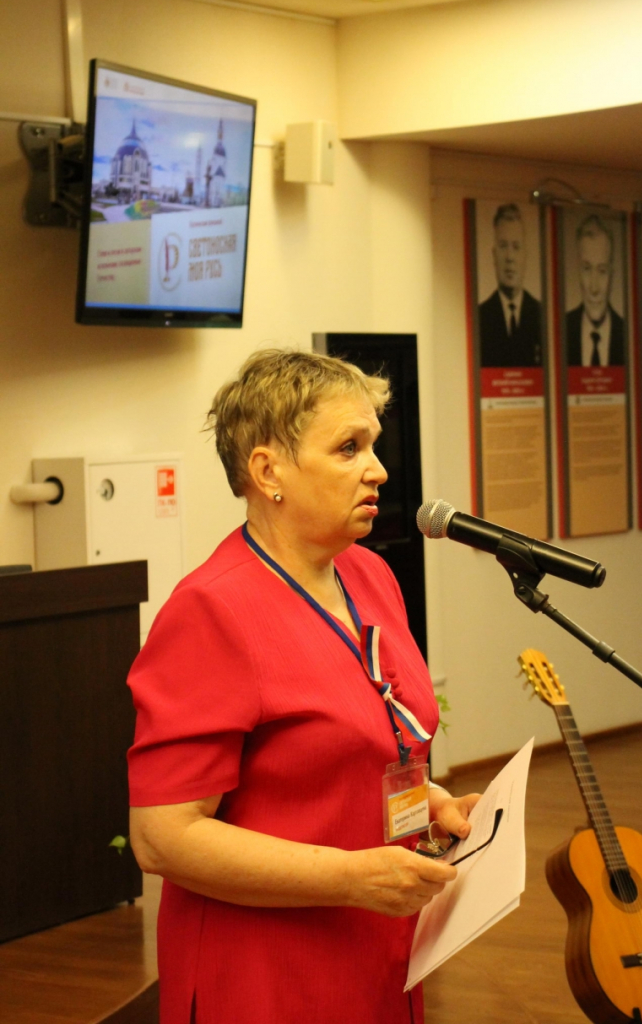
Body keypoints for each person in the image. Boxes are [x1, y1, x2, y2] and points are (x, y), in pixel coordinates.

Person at [127, 349, 480, 1024]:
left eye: (372, 445)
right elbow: (162, 837)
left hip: (377, 944)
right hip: (264, 972)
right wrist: (351, 876)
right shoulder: (211, 610)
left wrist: (430, 803)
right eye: (349, 448)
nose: (378, 469)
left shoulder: (369, 574)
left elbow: (367, 742)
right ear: (268, 472)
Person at [479, 203, 543, 367]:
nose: (509, 257)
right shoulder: (480, 317)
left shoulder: (542, 316)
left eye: (516, 247)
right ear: (494, 255)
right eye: (503, 246)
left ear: (525, 255)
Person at [565, 214, 625, 367]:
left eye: (602, 271)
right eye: (586, 269)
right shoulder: (562, 331)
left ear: (612, 273)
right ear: (578, 270)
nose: (594, 288)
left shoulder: (627, 334)